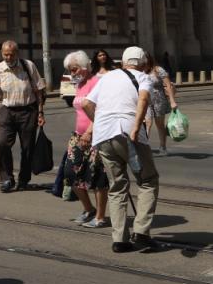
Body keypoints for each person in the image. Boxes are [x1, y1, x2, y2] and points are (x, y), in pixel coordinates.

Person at [82, 46, 159, 253]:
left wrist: (98, 123)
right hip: (129, 134)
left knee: (117, 186)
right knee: (148, 180)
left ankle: (119, 239)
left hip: (105, 136)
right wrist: (135, 126)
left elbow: (86, 103)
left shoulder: (107, 77)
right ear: (142, 64)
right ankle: (141, 233)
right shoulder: (144, 78)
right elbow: (143, 99)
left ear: (124, 62)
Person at [0, 40, 46, 193]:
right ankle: (7, 179)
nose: (8, 57)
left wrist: (40, 112)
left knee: (27, 148)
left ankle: (24, 180)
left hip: (28, 110)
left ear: (17, 53)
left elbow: (39, 91)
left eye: (11, 54)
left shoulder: (28, 66)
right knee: (2, 144)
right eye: (5, 54)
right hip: (7, 111)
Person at [62, 51, 108, 229]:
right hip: (77, 136)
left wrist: (89, 133)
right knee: (70, 173)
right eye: (69, 70)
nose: (71, 73)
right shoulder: (79, 84)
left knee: (98, 176)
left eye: (73, 69)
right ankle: (88, 209)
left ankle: (100, 216)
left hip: (96, 135)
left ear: (83, 67)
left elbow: (99, 110)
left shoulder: (97, 83)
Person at [142, 52, 177, 156]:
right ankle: (145, 147)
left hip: (159, 100)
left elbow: (168, 85)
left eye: (145, 59)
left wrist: (172, 101)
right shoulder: (141, 71)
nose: (144, 61)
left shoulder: (158, 70)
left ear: (149, 59)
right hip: (146, 100)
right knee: (147, 123)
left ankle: (163, 146)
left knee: (160, 124)